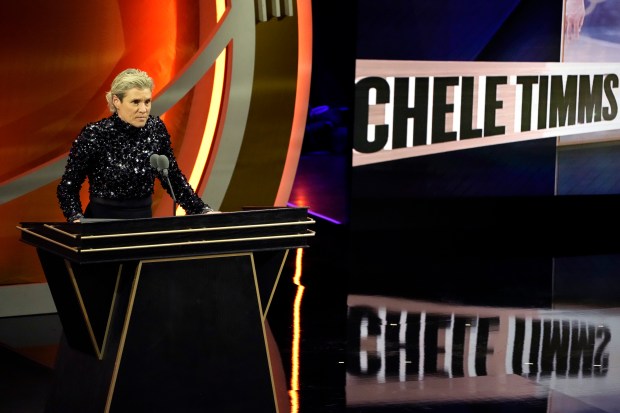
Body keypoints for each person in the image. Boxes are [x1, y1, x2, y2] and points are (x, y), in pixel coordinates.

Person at [57, 68, 216, 222]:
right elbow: (67, 188)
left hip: (143, 222)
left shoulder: (155, 129)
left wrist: (202, 210)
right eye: (135, 102)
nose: (143, 109)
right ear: (116, 101)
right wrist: (76, 219)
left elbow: (172, 178)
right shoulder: (95, 134)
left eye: (147, 102)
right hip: (101, 224)